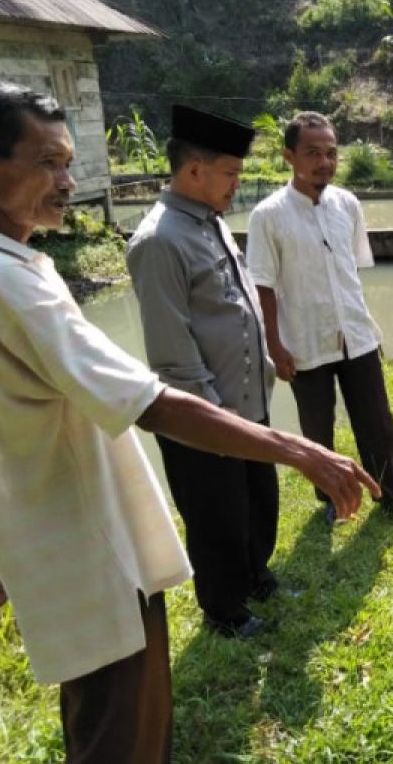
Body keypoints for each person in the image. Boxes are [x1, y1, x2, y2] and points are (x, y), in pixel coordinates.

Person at [0, 79, 377, 763]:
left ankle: (246, 582)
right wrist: (301, 450)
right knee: (126, 730)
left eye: (68, 162)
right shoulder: (10, 279)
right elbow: (156, 398)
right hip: (92, 546)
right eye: (47, 162)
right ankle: (227, 599)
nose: (67, 182)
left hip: (52, 545)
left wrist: (0, 526)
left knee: (101, 717)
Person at [126, 105, 290, 637]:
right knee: (216, 514)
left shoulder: (209, 223)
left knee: (257, 499)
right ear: (194, 171)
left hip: (247, 401)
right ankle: (225, 608)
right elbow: (172, 353)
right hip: (206, 414)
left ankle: (256, 576)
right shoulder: (160, 241)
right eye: (231, 175)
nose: (237, 186)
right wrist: (214, 416)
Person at [246, 112, 393, 522]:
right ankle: (330, 500)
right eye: (312, 153)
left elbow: (350, 271)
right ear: (289, 157)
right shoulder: (268, 215)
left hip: (355, 335)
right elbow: (262, 284)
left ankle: (392, 496)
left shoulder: (347, 204)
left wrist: (365, 324)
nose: (324, 162)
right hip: (304, 340)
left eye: (331, 153)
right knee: (318, 429)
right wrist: (275, 346)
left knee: (377, 422)